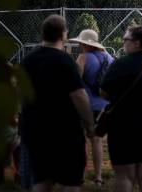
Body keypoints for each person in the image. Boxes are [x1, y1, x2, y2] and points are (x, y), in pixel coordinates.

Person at [20, 15, 95, 192]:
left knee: (41, 179)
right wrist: (90, 124)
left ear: (43, 34)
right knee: (70, 181)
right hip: (65, 130)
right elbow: (79, 95)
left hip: (35, 128)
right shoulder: (65, 61)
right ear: (63, 35)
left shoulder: (28, 61)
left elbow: (19, 92)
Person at [100, 26, 142, 192]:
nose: (123, 42)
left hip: (121, 126)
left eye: (126, 39)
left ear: (137, 43)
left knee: (124, 175)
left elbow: (103, 92)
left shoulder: (119, 64)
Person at [70, 29, 113, 186]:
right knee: (97, 141)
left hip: (86, 105)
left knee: (83, 140)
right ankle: (99, 177)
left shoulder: (82, 58)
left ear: (84, 43)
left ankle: (80, 175)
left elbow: (75, 82)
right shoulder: (109, 57)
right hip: (104, 106)